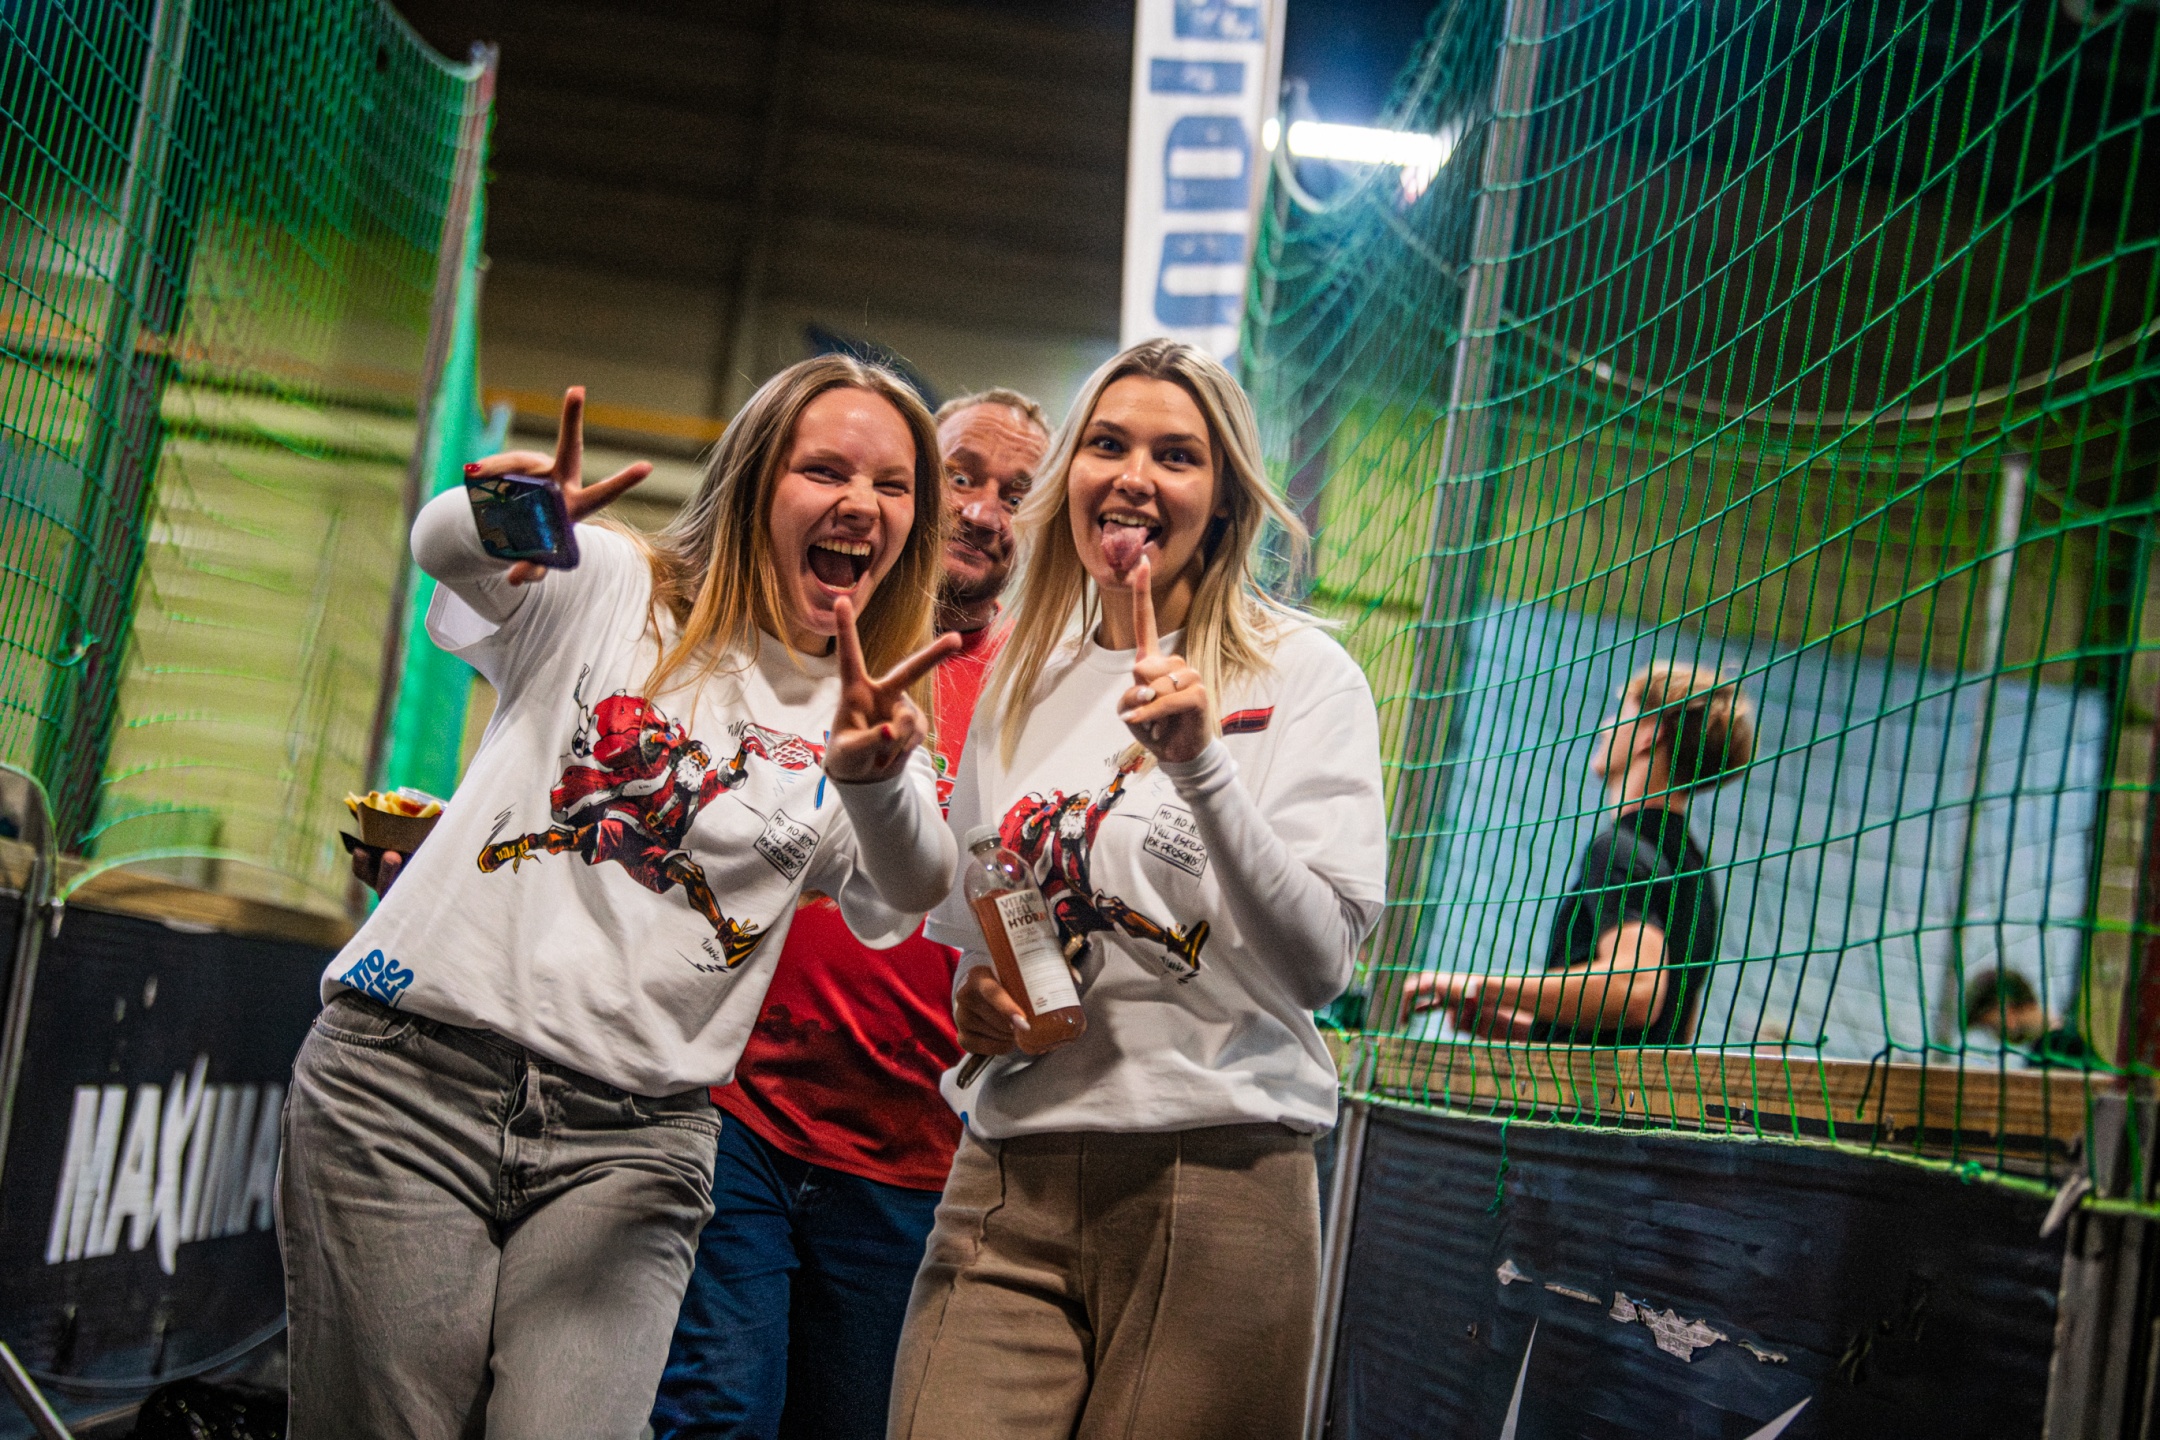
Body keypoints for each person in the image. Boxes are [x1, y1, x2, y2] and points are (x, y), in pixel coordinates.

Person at [281, 357, 960, 1440]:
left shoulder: (867, 714)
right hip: (412, 1085)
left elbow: (915, 881)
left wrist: (873, 779)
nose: (858, 504)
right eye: (825, 470)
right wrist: (509, 513)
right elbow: (441, 545)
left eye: (892, 486)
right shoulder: (616, 586)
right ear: (754, 483)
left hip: (634, 1144)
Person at [886, 338, 1388, 1440]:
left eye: (1177, 455)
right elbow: (979, 934)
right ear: (1071, 474)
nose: (1135, 477)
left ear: (1224, 498)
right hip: (1009, 1171)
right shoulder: (1027, 679)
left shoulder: (1303, 676)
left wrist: (1203, 766)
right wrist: (981, 1003)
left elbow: (1321, 965)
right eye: (1108, 445)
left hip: (1218, 1177)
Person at [650, 388, 1049, 1440]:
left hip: (915, 1158)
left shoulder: (1041, 697)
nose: (984, 512)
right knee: (719, 1417)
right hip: (738, 1111)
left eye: (1017, 494)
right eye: (959, 477)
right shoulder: (807, 630)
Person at [1397, 663, 1755, 1045]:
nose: (1606, 726)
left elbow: (1636, 992)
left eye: (1622, 713)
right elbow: (1665, 1033)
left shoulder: (1621, 848)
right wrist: (1517, 1027)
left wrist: (1478, 988)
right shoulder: (1696, 871)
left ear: (1651, 734)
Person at [1963, 968, 2090, 1067]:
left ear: (2006, 1012)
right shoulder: (2075, 1033)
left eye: (1992, 1026)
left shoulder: (2048, 1054)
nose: (1996, 1036)